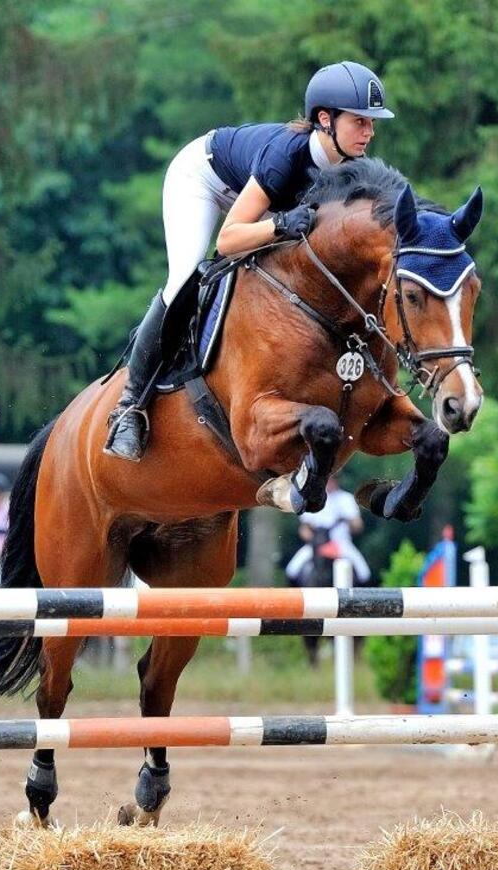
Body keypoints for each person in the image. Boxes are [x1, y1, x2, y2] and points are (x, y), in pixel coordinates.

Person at [105, 60, 395, 461]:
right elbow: (228, 240)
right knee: (185, 279)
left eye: (372, 123)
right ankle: (130, 408)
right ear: (325, 119)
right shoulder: (286, 155)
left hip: (260, 203)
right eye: (360, 121)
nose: (370, 131)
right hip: (205, 181)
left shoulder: (351, 170)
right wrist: (279, 225)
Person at [285, 475, 371, 585]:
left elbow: (358, 526)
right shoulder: (313, 499)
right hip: (317, 543)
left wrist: (350, 520)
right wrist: (315, 540)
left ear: (338, 480)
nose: (330, 482)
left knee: (364, 573)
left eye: (333, 479)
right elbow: (304, 528)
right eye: (328, 479)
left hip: (341, 543)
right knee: (292, 569)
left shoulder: (347, 499)